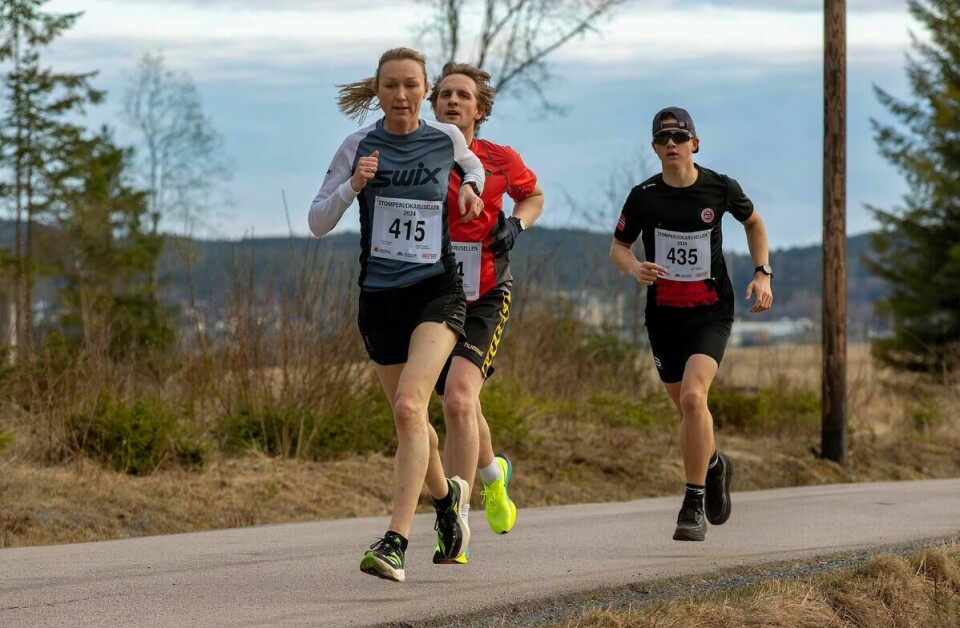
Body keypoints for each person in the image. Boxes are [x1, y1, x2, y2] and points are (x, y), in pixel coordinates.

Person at [308, 47, 487, 582]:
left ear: (425, 91)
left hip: (436, 292)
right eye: (391, 86)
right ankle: (447, 505)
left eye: (412, 85)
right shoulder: (358, 145)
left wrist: (473, 189)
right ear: (379, 91)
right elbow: (318, 220)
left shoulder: (445, 138)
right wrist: (354, 185)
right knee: (411, 423)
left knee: (412, 407)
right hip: (379, 300)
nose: (402, 95)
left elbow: (471, 163)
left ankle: (395, 541)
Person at [610, 107, 773, 542]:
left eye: (680, 137)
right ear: (654, 148)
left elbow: (754, 222)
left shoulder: (719, 188)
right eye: (663, 139)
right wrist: (634, 269)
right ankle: (716, 464)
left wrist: (763, 272)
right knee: (686, 410)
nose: (672, 145)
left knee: (694, 396)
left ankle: (692, 502)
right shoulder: (643, 196)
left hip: (710, 311)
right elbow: (619, 247)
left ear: (694, 144)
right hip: (663, 315)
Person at [427, 62, 545, 564]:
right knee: (465, 405)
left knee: (457, 401)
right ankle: (494, 476)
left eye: (463, 96)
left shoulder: (500, 158)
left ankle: (456, 525)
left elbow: (533, 195)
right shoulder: (419, 155)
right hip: (430, 295)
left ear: (480, 109)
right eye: (445, 95)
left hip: (486, 294)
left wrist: (516, 225)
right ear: (434, 105)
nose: (453, 102)